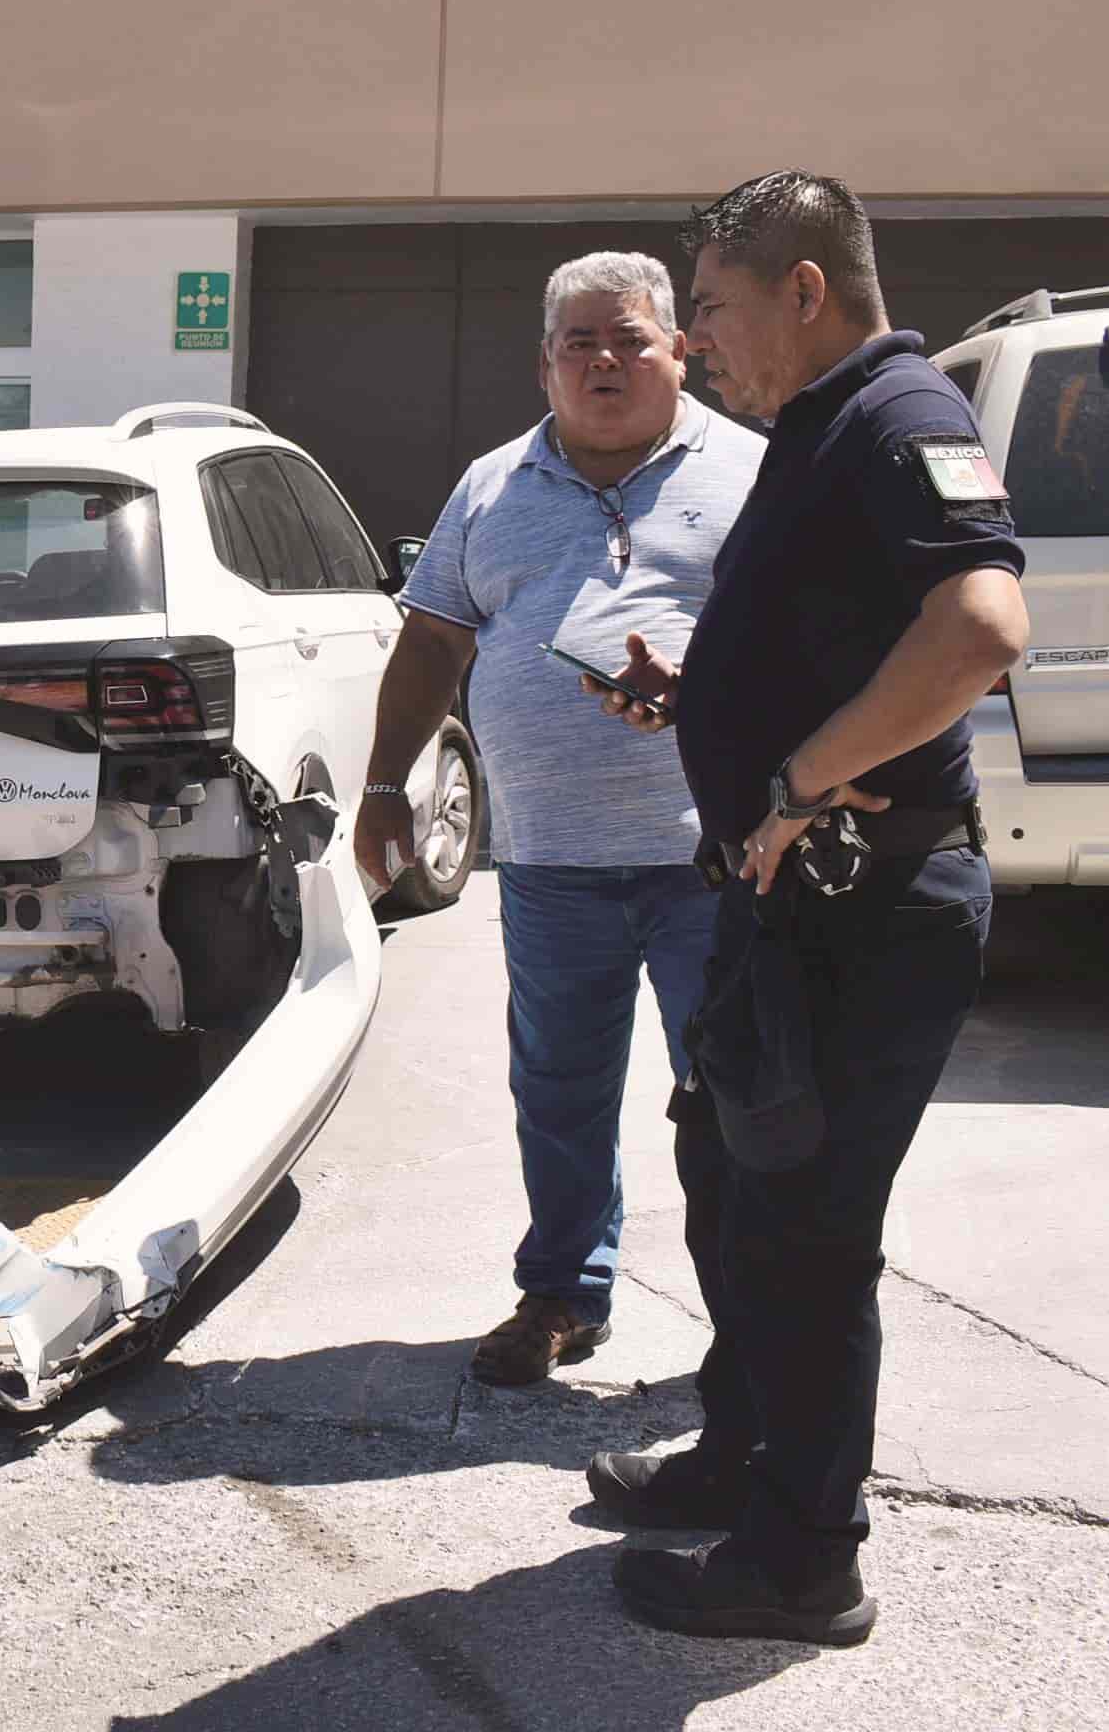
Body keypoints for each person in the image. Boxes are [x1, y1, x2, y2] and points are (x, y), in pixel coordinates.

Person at [587, 172, 1030, 1648]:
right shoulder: (819, 428)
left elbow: (980, 627)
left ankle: (803, 1559)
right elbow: (834, 630)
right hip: (790, 911)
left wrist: (794, 782)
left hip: (869, 904)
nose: (696, 341)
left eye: (707, 308)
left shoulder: (904, 421)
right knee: (727, 1173)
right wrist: (699, 700)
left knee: (809, 1229)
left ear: (803, 292)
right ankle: (740, 1457)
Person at [356, 251, 763, 1387]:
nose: (604, 360)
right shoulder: (489, 485)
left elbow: (808, 639)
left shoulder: (752, 473)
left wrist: (708, 685)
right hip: (546, 860)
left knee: (733, 1095)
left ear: (678, 349)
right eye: (578, 341)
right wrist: (386, 785)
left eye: (629, 337)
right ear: (543, 363)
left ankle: (757, 1316)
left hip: (715, 856)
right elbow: (433, 637)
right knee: (559, 1089)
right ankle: (562, 1293)